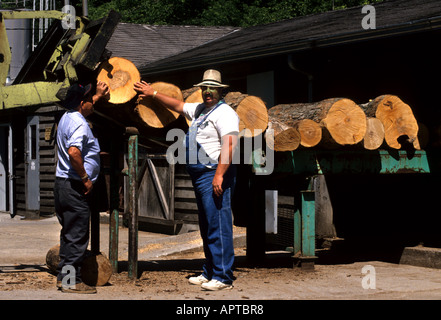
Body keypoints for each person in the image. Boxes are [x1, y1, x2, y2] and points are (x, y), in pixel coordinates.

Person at [134, 70, 239, 291]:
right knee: (206, 225)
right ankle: (209, 271)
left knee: (218, 225)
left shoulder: (225, 113)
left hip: (214, 172)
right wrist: (152, 93)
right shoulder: (201, 109)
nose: (207, 92)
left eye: (212, 88)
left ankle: (223, 277)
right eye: (204, 88)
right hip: (200, 174)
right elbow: (177, 105)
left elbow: (230, 145)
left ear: (220, 91)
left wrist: (219, 175)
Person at [54, 81, 109, 294]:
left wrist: (97, 95)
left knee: (69, 234)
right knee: (76, 236)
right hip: (75, 186)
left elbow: (83, 105)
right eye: (90, 100)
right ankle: (71, 282)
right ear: (81, 103)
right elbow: (74, 152)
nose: (92, 103)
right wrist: (86, 178)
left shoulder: (67, 117)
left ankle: (64, 278)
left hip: (63, 185)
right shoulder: (80, 123)